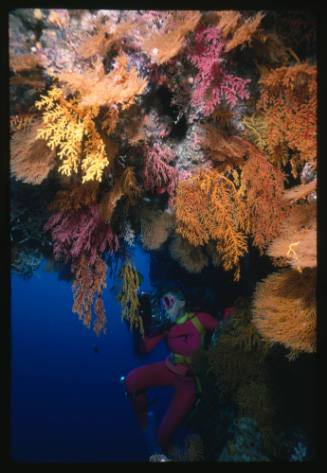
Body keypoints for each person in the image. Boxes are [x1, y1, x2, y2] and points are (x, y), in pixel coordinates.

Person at [124, 287, 221, 455]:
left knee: (162, 437)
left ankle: (168, 454)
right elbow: (144, 350)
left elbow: (223, 328)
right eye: (162, 304)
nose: (164, 308)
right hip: (169, 369)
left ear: (182, 303)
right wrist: (137, 326)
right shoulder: (166, 327)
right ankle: (146, 425)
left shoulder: (200, 320)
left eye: (168, 302)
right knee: (131, 381)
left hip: (189, 385)